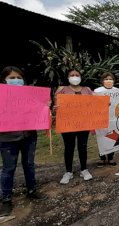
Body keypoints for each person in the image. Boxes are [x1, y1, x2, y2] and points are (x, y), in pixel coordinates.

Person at [0, 66, 46, 217]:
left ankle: (32, 190)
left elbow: (40, 109)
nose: (16, 80)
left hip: (29, 136)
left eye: (18, 77)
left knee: (29, 164)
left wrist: (47, 108)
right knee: (8, 168)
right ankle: (6, 199)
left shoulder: (30, 94)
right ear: (4, 80)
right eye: (12, 78)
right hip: (7, 138)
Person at [55, 69, 93, 184]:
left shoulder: (87, 90)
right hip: (68, 124)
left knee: (83, 146)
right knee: (69, 147)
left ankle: (84, 169)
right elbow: (55, 106)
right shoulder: (62, 90)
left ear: (81, 77)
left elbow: (95, 103)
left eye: (77, 75)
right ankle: (68, 172)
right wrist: (55, 108)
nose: (75, 77)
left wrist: (104, 103)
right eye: (72, 75)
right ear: (67, 77)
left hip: (84, 123)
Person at [94, 72, 118, 167]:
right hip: (101, 117)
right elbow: (93, 104)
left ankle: (111, 158)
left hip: (113, 118)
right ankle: (102, 158)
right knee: (102, 137)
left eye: (110, 79)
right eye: (106, 79)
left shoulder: (117, 90)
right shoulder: (97, 91)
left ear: (114, 81)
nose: (108, 81)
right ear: (102, 81)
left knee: (113, 137)